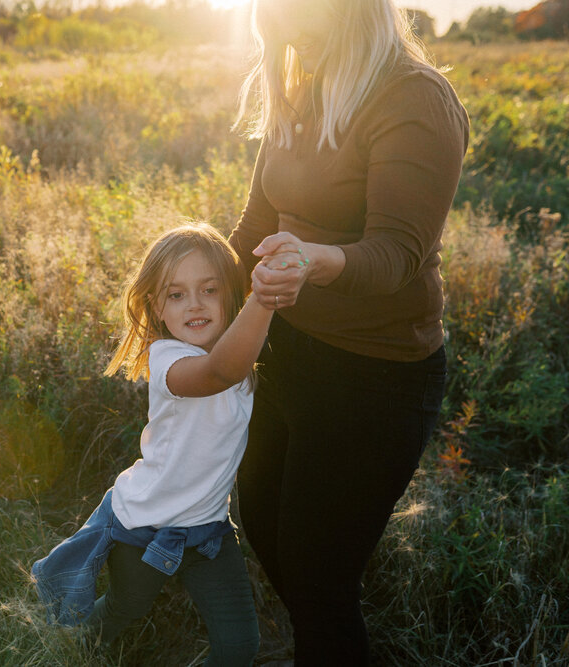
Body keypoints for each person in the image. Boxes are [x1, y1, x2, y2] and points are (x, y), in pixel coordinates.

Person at [228, 0, 469, 664]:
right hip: (289, 353)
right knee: (262, 516)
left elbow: (396, 255)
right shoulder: (301, 85)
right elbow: (252, 231)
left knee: (317, 571)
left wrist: (313, 259)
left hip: (376, 376)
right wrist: (181, 297)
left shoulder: (414, 99)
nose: (288, 32)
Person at [32, 223, 280, 665]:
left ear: (230, 295)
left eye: (209, 289)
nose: (196, 305)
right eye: (176, 294)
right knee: (124, 610)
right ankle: (70, 654)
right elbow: (217, 374)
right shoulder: (169, 358)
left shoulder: (243, 355)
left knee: (240, 646)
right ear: (156, 306)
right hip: (144, 529)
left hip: (209, 532)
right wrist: (266, 298)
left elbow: (237, 362)